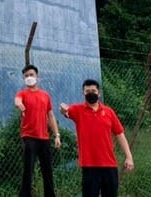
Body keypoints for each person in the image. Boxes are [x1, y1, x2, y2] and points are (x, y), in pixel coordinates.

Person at [59, 79, 134, 197]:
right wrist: (63, 110)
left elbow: (120, 134)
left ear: (99, 93)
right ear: (83, 93)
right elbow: (66, 111)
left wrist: (129, 157)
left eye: (93, 91)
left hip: (109, 165)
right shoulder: (78, 110)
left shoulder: (109, 112)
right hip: (89, 166)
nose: (91, 93)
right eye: (87, 91)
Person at [14, 64, 61, 197]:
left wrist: (57, 135)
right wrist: (19, 104)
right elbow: (17, 100)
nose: (29, 77)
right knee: (28, 170)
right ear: (24, 78)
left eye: (31, 75)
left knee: (48, 171)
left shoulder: (45, 95)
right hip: (29, 137)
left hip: (44, 138)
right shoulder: (22, 93)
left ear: (37, 76)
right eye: (26, 76)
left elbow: (50, 115)